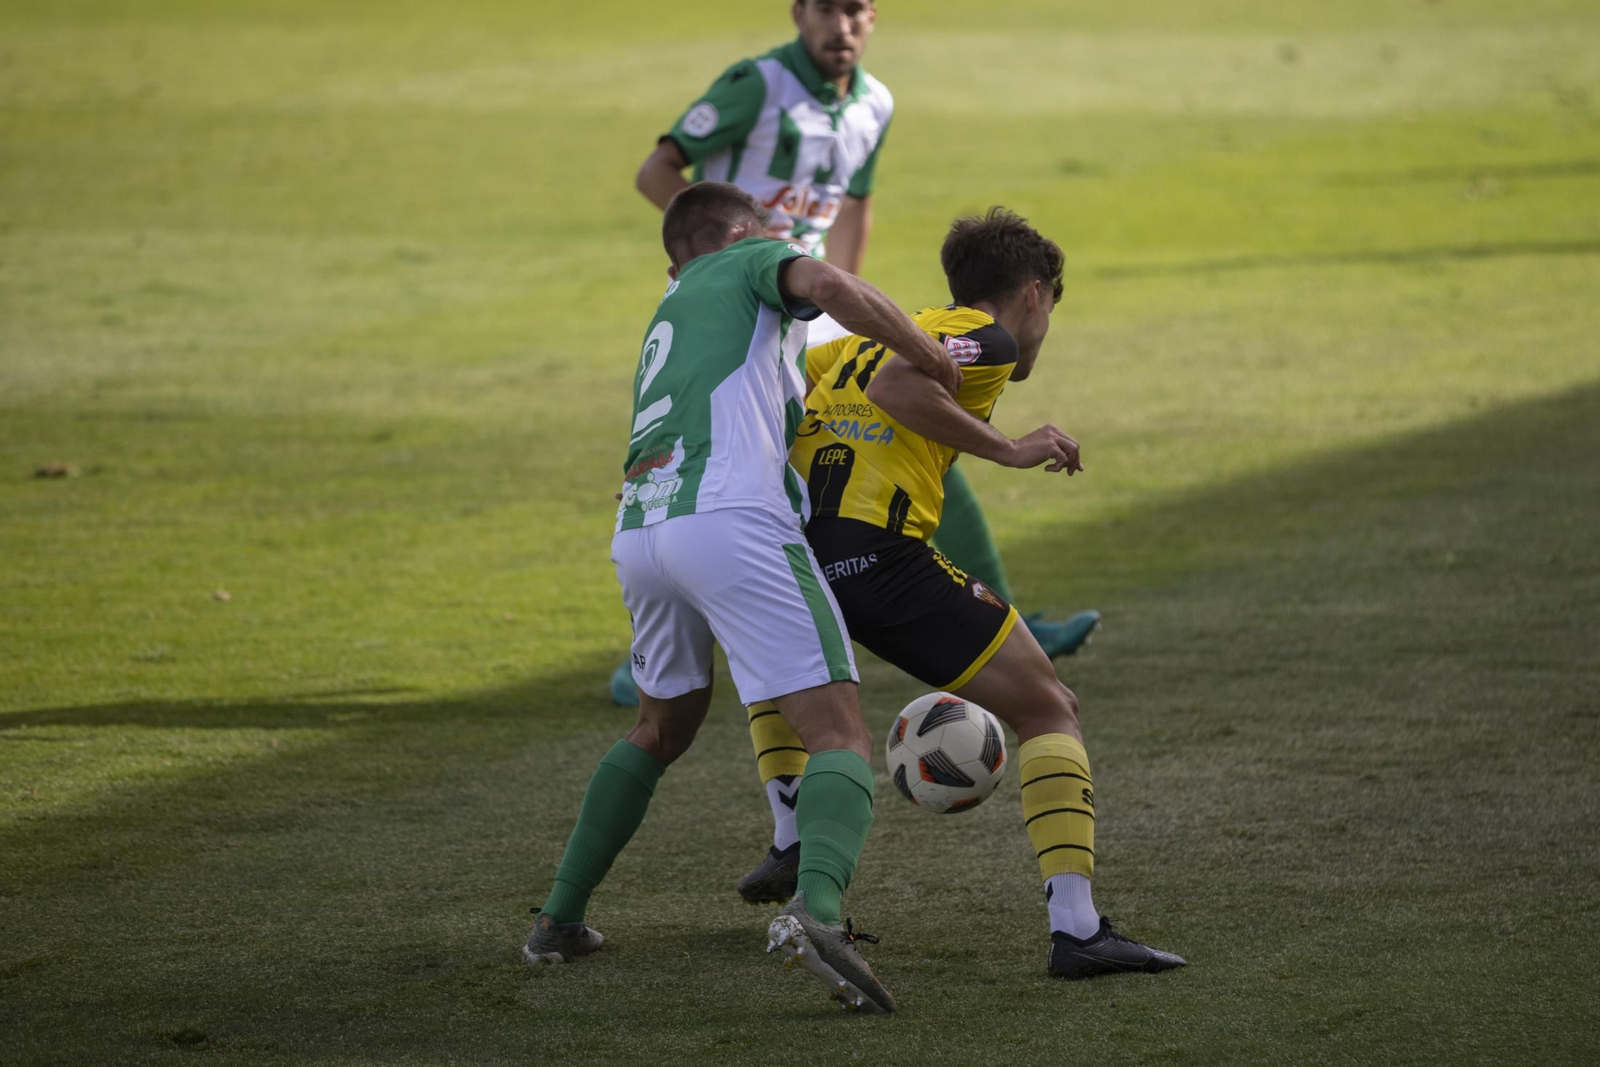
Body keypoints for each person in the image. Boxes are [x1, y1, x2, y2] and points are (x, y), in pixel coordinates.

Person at [524, 182, 963, 1014]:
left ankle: (558, 918)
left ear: (672, 258)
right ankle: (820, 913)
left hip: (642, 527)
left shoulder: (671, 307)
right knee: (838, 731)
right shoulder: (752, 258)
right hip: (729, 521)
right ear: (746, 233)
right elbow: (835, 286)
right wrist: (931, 355)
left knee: (660, 727)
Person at [617, 0, 1099, 711]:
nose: (840, 25)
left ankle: (1003, 619)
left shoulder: (875, 102)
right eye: (825, 10)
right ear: (798, 14)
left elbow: (853, 208)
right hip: (748, 299)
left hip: (813, 302)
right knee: (723, 466)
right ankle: (658, 652)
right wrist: (730, 256)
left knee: (894, 439)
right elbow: (657, 172)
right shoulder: (756, 84)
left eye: (856, 9)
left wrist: (860, 313)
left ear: (873, 18)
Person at [744, 208, 1186, 979]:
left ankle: (791, 832)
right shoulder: (989, 337)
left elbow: (783, 396)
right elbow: (895, 389)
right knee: (1050, 705)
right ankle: (1077, 930)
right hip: (876, 557)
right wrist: (1011, 449)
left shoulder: (857, 339)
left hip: (796, 556)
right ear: (1036, 294)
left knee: (795, 694)